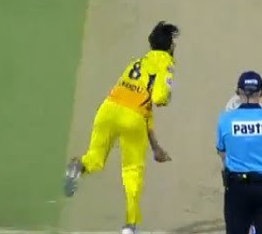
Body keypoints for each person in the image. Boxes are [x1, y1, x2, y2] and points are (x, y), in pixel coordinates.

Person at [63, 21, 180, 234]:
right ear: (169, 45)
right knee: (132, 171)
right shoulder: (166, 63)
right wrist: (167, 96)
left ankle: (79, 166)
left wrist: (156, 147)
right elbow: (158, 99)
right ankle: (129, 225)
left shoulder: (137, 63)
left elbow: (143, 106)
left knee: (95, 159)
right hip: (132, 118)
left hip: (107, 110)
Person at [216, 71, 262, 233]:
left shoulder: (225, 120)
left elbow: (223, 153)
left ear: (239, 92)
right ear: (260, 93)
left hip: (237, 189)